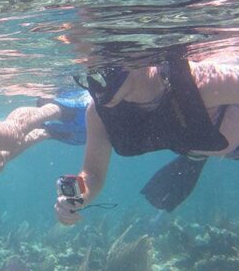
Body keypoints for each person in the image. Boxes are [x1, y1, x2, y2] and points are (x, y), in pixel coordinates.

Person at [49, 54, 238, 225]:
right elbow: (92, 173)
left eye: (102, 74)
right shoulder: (98, 113)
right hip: (197, 144)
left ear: (135, 60)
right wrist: (79, 196)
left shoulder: (199, 81)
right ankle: (197, 156)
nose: (96, 88)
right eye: (85, 79)